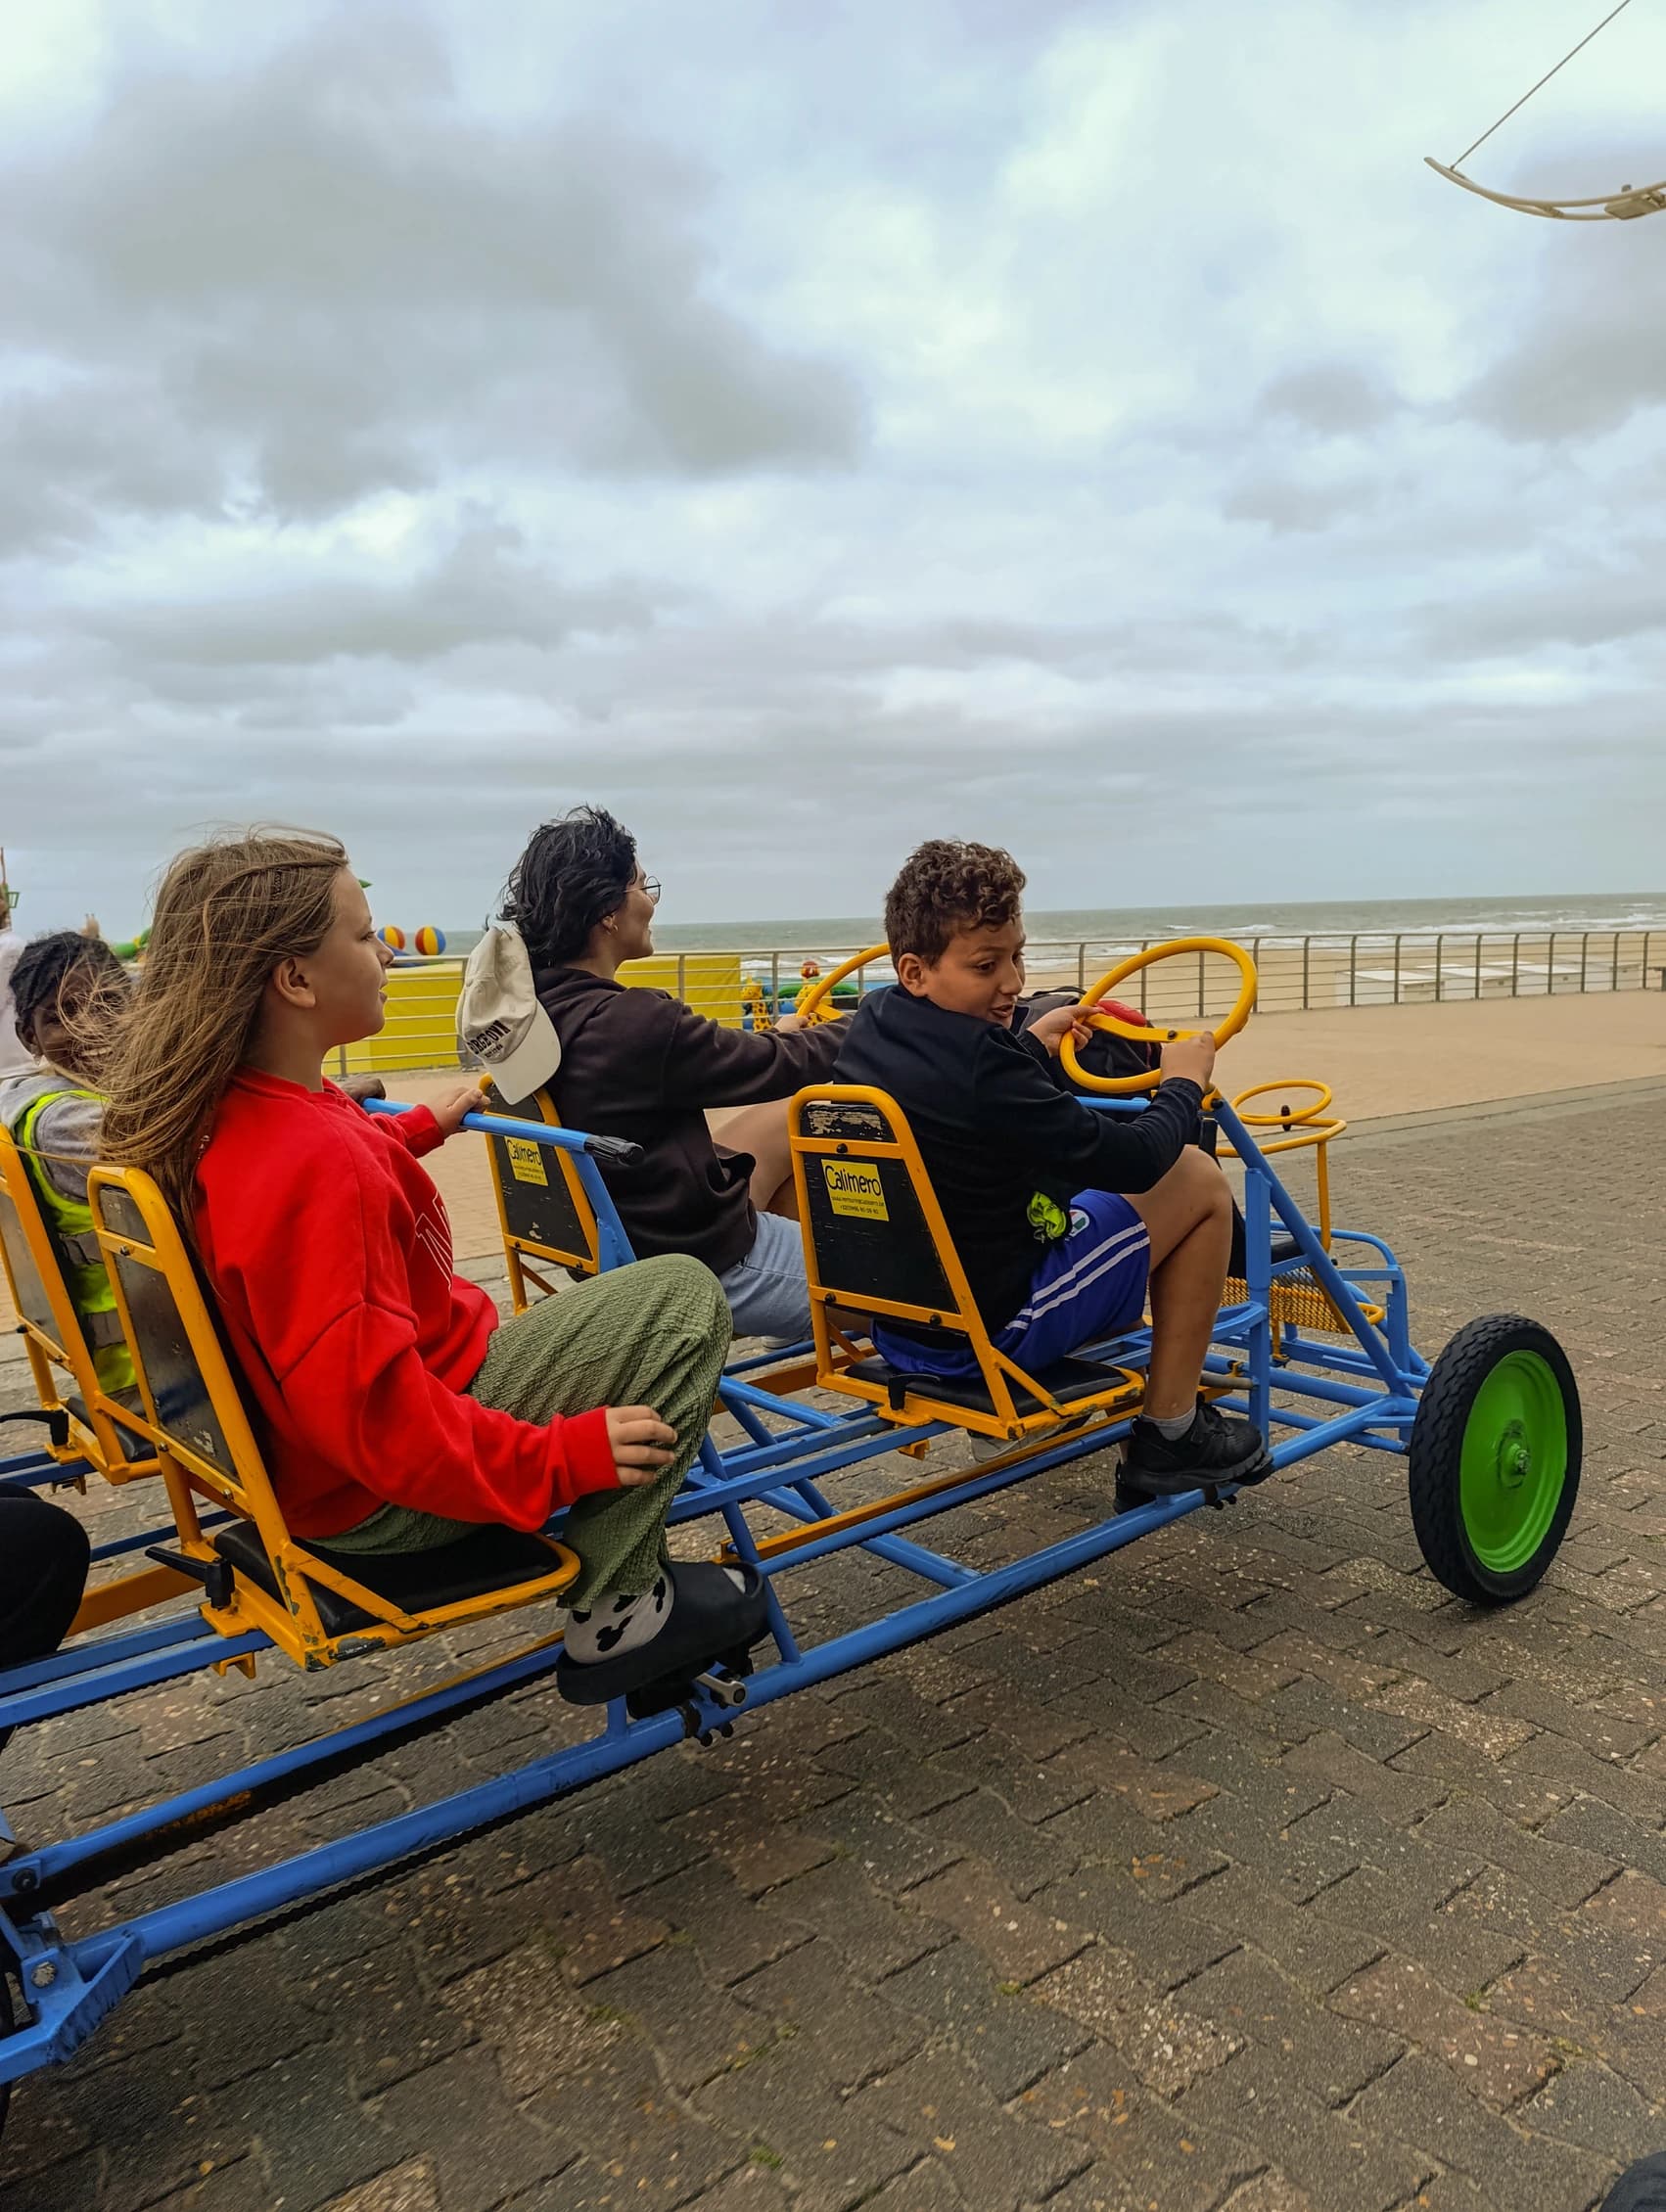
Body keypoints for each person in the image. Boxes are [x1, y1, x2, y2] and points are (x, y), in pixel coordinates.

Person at [95, 831, 764, 1706]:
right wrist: (563, 1459)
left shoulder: (242, 1114)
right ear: (295, 981)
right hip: (380, 1496)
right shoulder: (318, 1165)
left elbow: (313, 1187)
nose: (382, 954)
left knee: (631, 1304)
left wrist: (408, 1133)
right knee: (679, 1297)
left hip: (322, 1474)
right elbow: (376, 1419)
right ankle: (620, 1609)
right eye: (363, 935)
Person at [833, 840, 1270, 1498]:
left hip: (902, 1324)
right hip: (991, 1335)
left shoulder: (875, 1023)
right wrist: (1184, 1084)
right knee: (1196, 1179)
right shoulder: (989, 1070)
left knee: (1102, 1199)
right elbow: (1137, 1160)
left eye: (1017, 956)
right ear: (915, 970)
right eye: (986, 965)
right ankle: (1172, 1431)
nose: (1011, 983)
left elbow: (963, 1099)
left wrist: (1027, 1045)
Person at [469, 806, 844, 1344]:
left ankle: (798, 1304)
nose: (651, 902)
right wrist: (871, 1022)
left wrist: (782, 1038)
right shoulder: (635, 1023)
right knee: (919, 1286)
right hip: (695, 1261)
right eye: (644, 888)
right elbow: (779, 1064)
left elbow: (761, 1061)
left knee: (784, 1114)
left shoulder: (532, 1018)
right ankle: (826, 1307)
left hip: (616, 1239)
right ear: (608, 912)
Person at [1, 932, 139, 1400]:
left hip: (163, 1347)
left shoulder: (48, 1102)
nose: (91, 1026)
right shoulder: (65, 1121)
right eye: (61, 1016)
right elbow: (190, 1135)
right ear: (29, 1037)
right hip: (154, 1364)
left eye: (109, 1003)